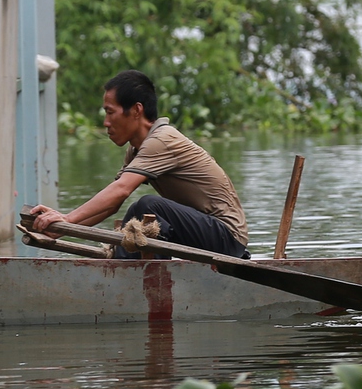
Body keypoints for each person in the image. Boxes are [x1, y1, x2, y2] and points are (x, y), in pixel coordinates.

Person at [26, 70, 249, 258]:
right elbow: (111, 204)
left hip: (226, 238)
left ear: (136, 110)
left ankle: (129, 275)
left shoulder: (162, 140)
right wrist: (61, 228)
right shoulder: (136, 149)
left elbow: (121, 190)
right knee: (138, 212)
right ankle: (134, 270)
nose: (106, 122)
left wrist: (66, 218)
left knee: (148, 206)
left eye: (110, 112)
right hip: (206, 233)